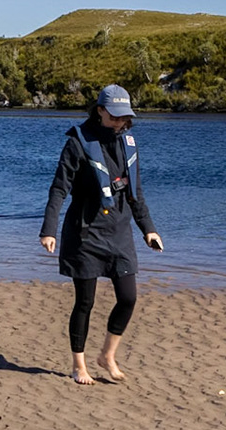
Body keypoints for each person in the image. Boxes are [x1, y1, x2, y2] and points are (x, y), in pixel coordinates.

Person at [39, 84, 165, 385]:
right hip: (85, 232)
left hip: (118, 231)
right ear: (100, 111)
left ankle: (107, 355)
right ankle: (78, 365)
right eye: (115, 117)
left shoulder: (128, 143)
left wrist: (148, 229)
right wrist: (49, 229)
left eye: (125, 118)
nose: (121, 122)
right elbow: (59, 189)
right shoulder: (78, 143)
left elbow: (136, 193)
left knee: (128, 297)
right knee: (85, 301)